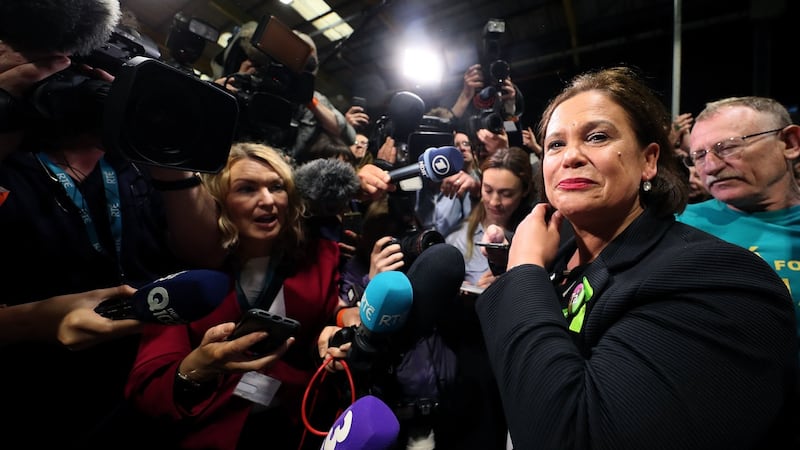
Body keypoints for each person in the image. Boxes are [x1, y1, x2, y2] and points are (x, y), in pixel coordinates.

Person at [475, 67, 798, 449]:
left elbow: (573, 435)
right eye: (556, 144)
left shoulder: (719, 278)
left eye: (597, 136)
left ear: (649, 160)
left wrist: (524, 272)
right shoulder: (557, 253)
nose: (571, 156)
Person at [0, 4, 219, 448]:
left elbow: (205, 254)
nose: (92, 87)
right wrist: (31, 322)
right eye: (73, 72)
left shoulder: (133, 163)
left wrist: (165, 147)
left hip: (132, 391)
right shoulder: (12, 158)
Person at [124, 142, 347, 450]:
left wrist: (341, 322)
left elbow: (330, 314)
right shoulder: (189, 278)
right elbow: (147, 388)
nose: (268, 200)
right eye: (247, 189)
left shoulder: (319, 256)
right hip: (213, 431)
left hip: (297, 424)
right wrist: (198, 368)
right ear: (218, 200)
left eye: (277, 187)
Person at [676, 96, 800, 345]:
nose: (710, 166)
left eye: (727, 147)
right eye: (698, 155)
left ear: (789, 143)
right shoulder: (675, 228)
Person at [445, 146, 536, 288]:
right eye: (488, 190)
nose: (494, 202)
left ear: (525, 190)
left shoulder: (535, 237)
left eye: (506, 194)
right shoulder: (457, 240)